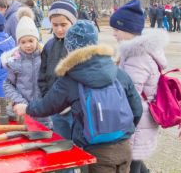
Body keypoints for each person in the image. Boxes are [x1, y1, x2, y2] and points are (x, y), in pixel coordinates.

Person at [14, 20, 143, 173]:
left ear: (70, 49)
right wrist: (123, 130)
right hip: (124, 147)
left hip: (95, 151)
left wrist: (26, 108)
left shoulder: (70, 79)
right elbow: (137, 108)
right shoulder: (117, 72)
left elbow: (47, 106)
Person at [110, 0, 168, 173]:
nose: (114, 34)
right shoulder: (138, 53)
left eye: (116, 29)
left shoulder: (137, 57)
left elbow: (128, 94)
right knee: (136, 163)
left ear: (128, 30)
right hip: (142, 119)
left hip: (136, 122)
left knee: (131, 163)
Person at [1, 7, 50, 126]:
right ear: (18, 43)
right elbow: (8, 84)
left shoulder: (46, 58)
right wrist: (19, 102)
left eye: (31, 40)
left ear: (37, 39)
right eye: (23, 42)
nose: (28, 45)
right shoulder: (14, 61)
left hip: (45, 114)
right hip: (23, 113)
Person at [38, 0, 78, 139]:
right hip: (55, 108)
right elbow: (42, 76)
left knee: (79, 146)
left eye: (63, 24)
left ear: (72, 22)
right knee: (61, 143)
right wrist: (48, 98)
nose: (59, 29)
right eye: (55, 25)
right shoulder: (48, 46)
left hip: (75, 110)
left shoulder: (79, 45)